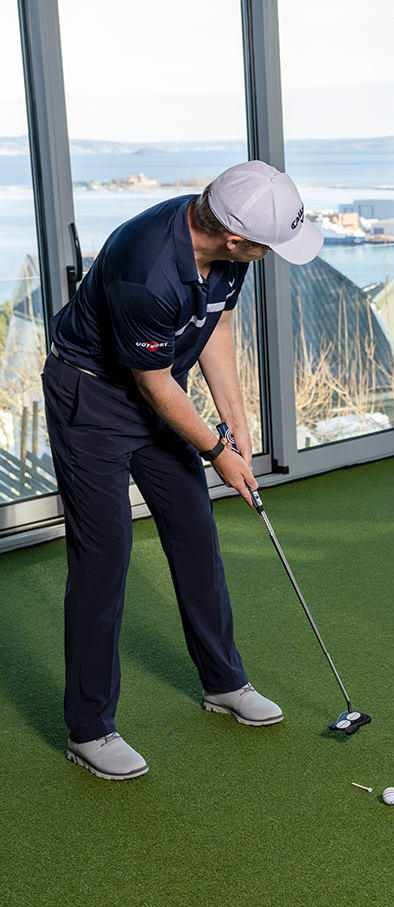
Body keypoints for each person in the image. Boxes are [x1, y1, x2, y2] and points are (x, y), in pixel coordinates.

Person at [42, 161, 324, 780]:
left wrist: (237, 423)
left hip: (154, 394)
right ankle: (89, 729)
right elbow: (156, 387)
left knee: (195, 533)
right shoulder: (147, 269)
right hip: (91, 399)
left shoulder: (226, 242)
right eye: (267, 247)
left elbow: (216, 321)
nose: (268, 255)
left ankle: (224, 683)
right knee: (104, 558)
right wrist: (216, 451)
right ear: (233, 237)